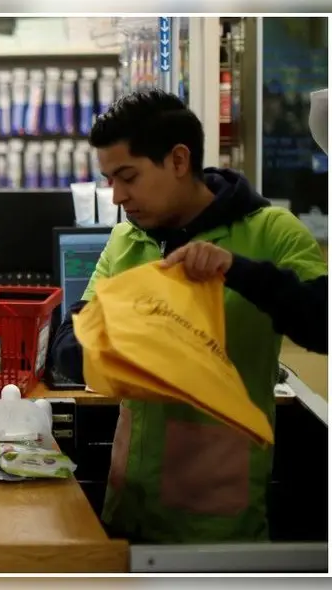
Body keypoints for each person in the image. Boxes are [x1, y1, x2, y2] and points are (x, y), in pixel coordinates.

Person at [48, 89, 328, 544]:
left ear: (178, 160)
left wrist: (237, 271)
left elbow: (322, 324)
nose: (117, 196)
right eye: (109, 180)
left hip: (218, 520)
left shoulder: (271, 232)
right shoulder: (126, 240)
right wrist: (129, 337)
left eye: (128, 177)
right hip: (127, 510)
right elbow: (66, 348)